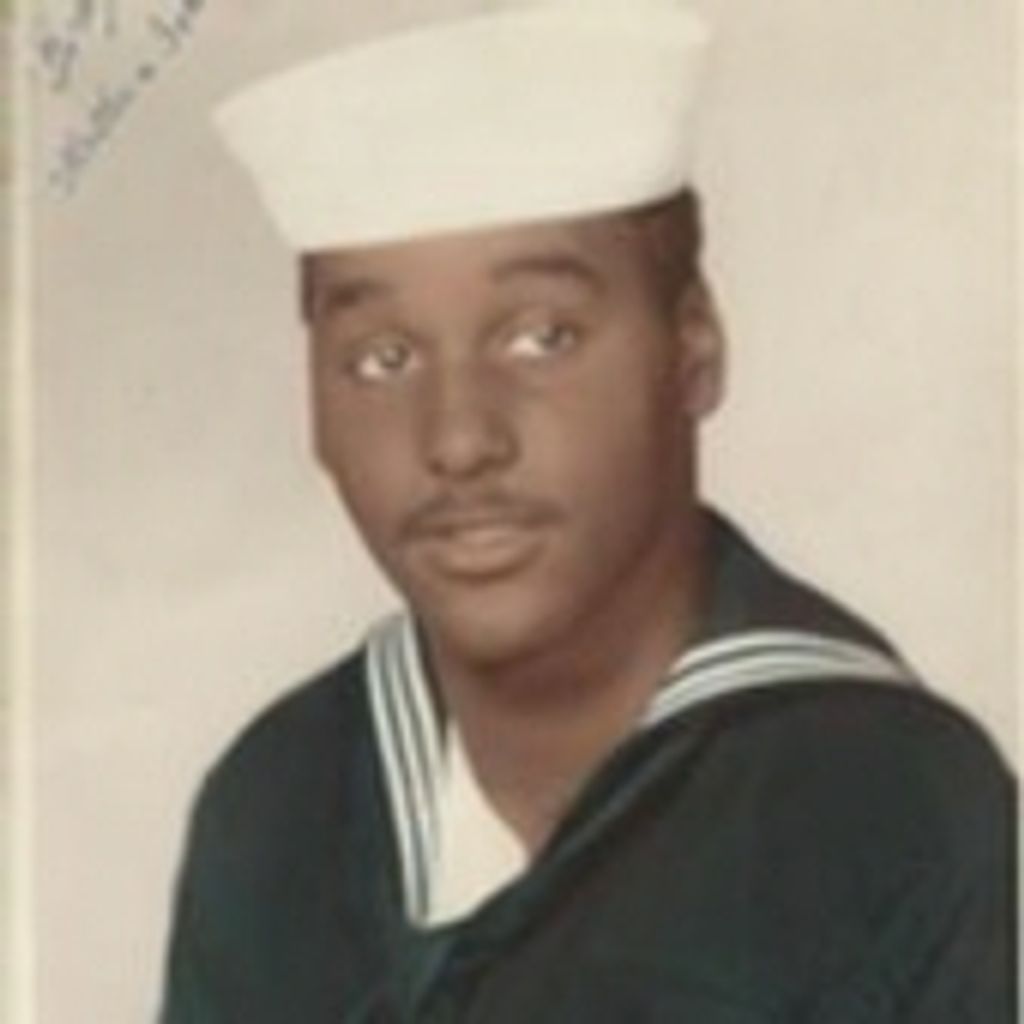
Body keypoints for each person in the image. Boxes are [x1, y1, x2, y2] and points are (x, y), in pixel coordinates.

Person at [159, 3, 1014, 1021]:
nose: (460, 438)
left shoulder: (895, 811)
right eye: (383, 359)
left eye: (542, 338)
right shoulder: (277, 806)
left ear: (692, 350)